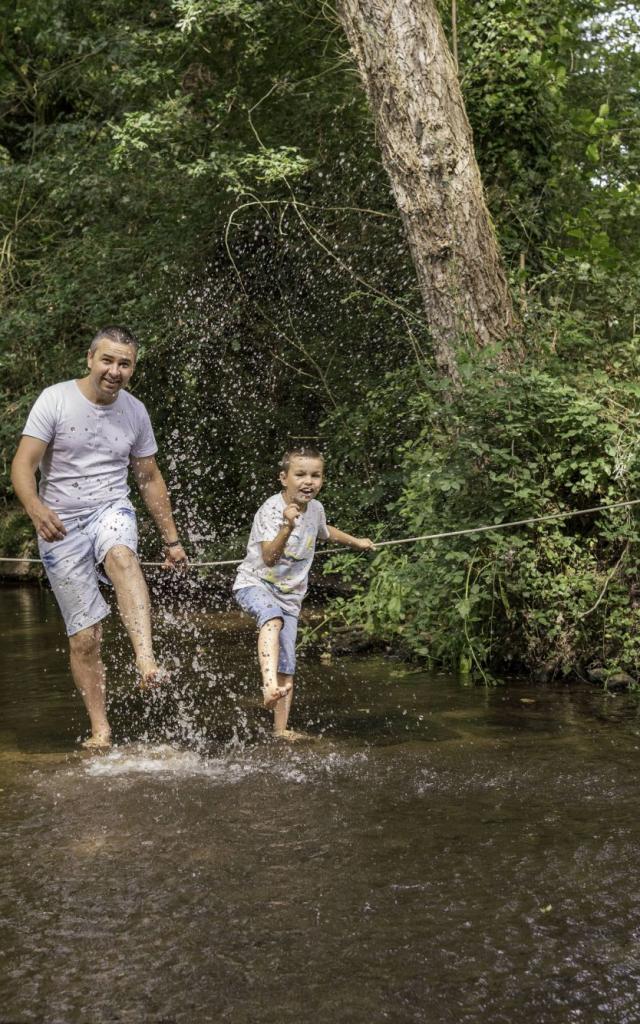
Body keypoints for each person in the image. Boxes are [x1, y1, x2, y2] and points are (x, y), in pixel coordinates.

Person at [11, 325, 187, 749]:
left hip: (111, 507)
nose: (114, 370)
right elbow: (22, 466)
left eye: (124, 363)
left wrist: (172, 540)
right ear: (90, 360)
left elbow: (147, 477)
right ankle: (101, 729)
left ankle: (146, 662)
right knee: (86, 638)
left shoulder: (135, 411)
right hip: (60, 523)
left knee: (123, 556)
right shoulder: (55, 400)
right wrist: (36, 510)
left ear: (132, 369)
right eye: (107, 360)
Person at [233, 446, 375, 740]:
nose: (308, 481)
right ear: (284, 478)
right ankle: (268, 685)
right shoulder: (270, 510)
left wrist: (356, 542)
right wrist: (287, 525)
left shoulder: (317, 509)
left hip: (290, 597)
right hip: (255, 583)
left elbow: (325, 531)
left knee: (288, 664)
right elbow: (270, 558)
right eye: (300, 475)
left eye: (315, 475)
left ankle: (280, 730)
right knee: (271, 618)